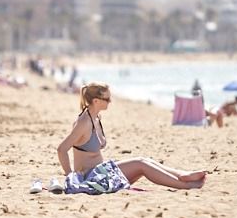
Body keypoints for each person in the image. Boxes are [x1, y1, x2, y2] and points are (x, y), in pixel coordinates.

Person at [57, 82, 207, 193]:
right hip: (93, 177)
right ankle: (185, 185)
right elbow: (62, 149)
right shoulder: (83, 122)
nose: (110, 101)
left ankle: (182, 175)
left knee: (144, 160)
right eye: (107, 99)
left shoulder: (96, 118)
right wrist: (71, 176)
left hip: (103, 172)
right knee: (141, 164)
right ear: (96, 101)